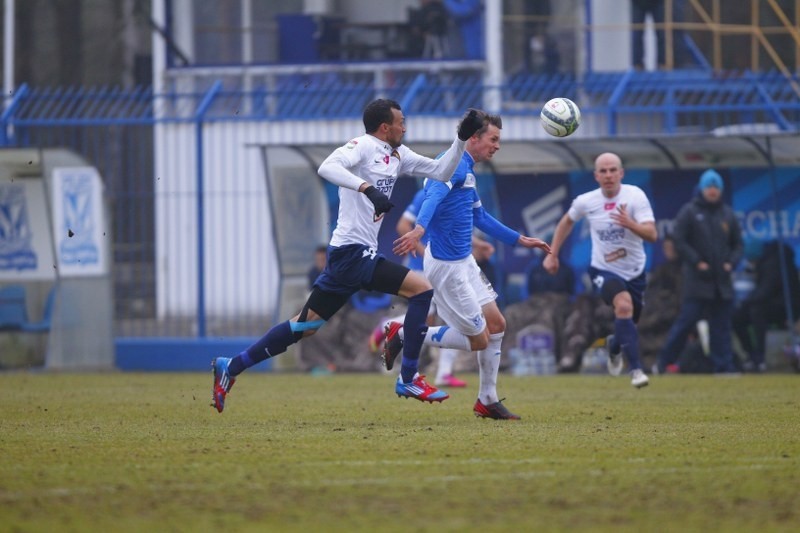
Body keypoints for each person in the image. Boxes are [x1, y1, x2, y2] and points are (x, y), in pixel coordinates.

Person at [210, 99, 486, 412]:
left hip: (350, 257)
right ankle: (408, 377)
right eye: (401, 122)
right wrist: (368, 188)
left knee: (305, 326)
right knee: (422, 290)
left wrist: (461, 139)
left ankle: (230, 366)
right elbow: (326, 167)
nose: (405, 127)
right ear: (385, 127)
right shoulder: (363, 146)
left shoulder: (399, 155)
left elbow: (440, 170)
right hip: (352, 253)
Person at [386, 110, 552, 419]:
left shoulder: (467, 168)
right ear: (474, 138)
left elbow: (479, 217)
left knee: (498, 325)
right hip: (447, 269)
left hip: (465, 263)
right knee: (479, 340)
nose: (497, 146)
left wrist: (520, 240)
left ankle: (487, 399)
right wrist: (420, 228)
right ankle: (404, 331)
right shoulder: (452, 165)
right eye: (493, 139)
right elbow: (432, 196)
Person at [544, 152, 658, 388]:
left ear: (621, 173)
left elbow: (652, 235)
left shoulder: (635, 196)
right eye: (603, 171)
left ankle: (615, 345)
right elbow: (566, 222)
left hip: (635, 271)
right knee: (623, 305)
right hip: (602, 269)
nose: (608, 175)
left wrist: (630, 223)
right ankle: (636, 370)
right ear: (596, 175)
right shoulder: (587, 200)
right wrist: (552, 254)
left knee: (628, 322)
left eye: (613, 170)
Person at [654, 169, 743, 374]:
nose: (712, 191)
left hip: (721, 282)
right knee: (685, 323)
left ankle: (723, 367)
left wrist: (731, 262)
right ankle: (662, 362)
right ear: (702, 189)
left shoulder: (727, 214)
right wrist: (696, 262)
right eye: (708, 187)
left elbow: (738, 245)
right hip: (697, 281)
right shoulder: (690, 211)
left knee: (721, 327)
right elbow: (679, 239)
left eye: (715, 187)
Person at [732, 240, 800, 372]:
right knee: (737, 316)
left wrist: (746, 302)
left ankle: (760, 356)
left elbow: (765, 291)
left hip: (787, 307)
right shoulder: (766, 261)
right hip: (771, 304)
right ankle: (751, 356)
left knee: (756, 311)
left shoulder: (774, 263)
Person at [631, 0, 665, 70]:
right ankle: (637, 64)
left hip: (657, 2)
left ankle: (662, 63)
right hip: (638, 3)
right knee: (637, 33)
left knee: (662, 32)